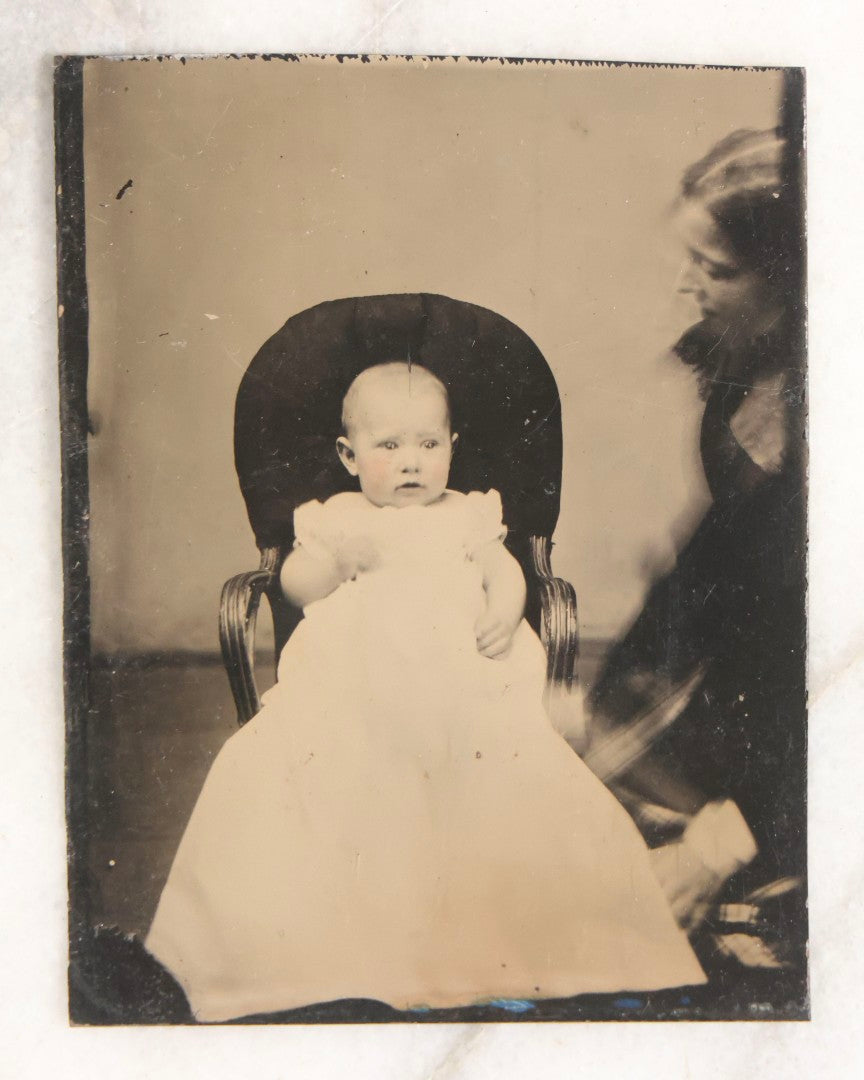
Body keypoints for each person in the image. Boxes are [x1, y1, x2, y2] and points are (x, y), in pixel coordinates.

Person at [145, 361, 705, 1022]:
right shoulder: (340, 518)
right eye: (389, 447)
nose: (411, 463)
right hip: (366, 674)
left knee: (494, 767)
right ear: (348, 457)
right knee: (325, 767)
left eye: (428, 444)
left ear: (451, 448)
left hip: (463, 668)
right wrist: (331, 565)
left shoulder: (466, 514)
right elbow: (296, 585)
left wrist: (505, 605)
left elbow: (504, 568)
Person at [586, 129, 807, 986]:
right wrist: (612, 697)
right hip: (753, 680)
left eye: (716, 270)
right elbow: (715, 563)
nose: (688, 288)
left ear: (795, 279)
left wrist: (721, 842)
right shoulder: (743, 389)